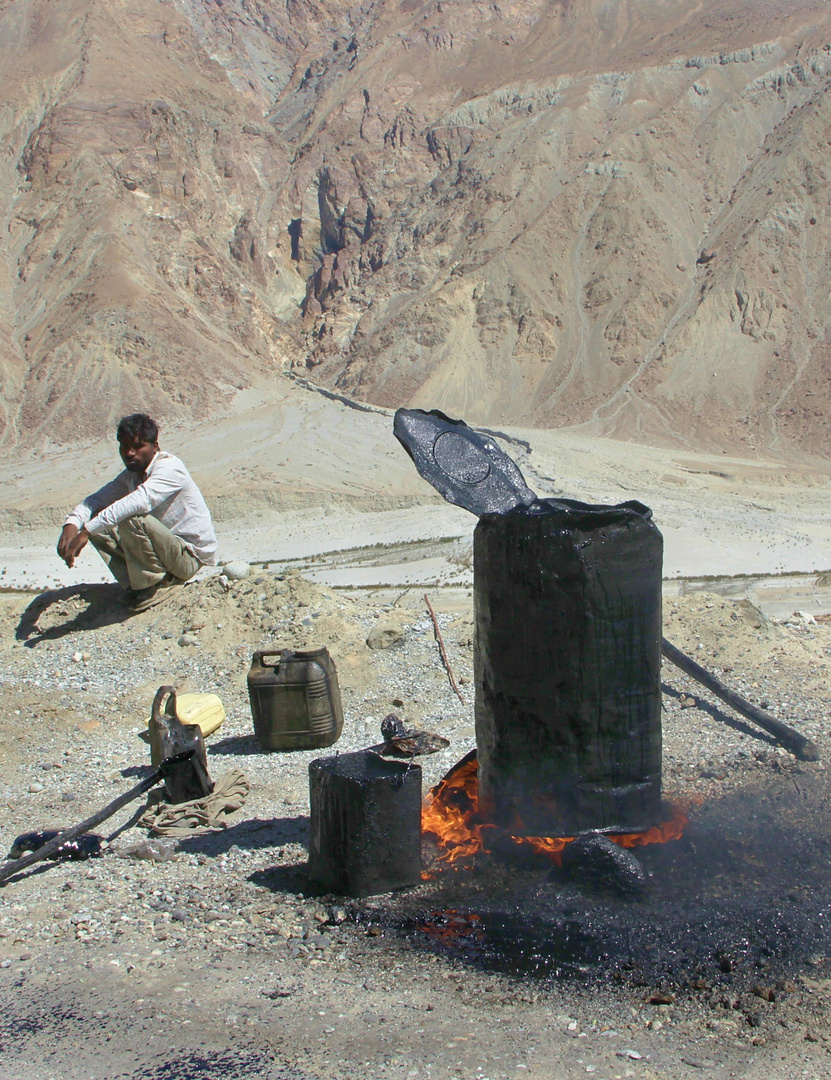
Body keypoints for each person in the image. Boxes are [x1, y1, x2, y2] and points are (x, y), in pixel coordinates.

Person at [57, 413, 218, 612]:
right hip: (165, 553)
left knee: (131, 518)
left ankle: (155, 585)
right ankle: (136, 585)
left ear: (154, 447)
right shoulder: (130, 477)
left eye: (137, 446)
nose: (130, 453)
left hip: (188, 557)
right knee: (98, 515)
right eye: (124, 446)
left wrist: (87, 531)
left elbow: (140, 500)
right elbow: (94, 500)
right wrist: (72, 524)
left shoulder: (170, 467)